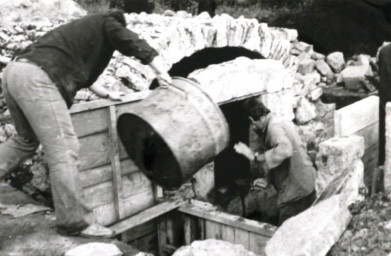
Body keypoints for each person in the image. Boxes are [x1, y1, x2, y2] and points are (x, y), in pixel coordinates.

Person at [0, 10, 171, 237]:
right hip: (38, 79)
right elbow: (134, 43)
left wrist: (107, 94)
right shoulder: (108, 22)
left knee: (25, 140)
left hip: (14, 72)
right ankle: (74, 222)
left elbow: (84, 75)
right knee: (64, 149)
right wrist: (162, 71)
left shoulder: (79, 32)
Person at [234, 97, 316, 225]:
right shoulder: (277, 121)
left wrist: (254, 156)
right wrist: (268, 179)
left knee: (286, 237)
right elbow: (282, 157)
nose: (254, 130)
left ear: (251, 120)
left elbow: (285, 149)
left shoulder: (273, 128)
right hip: (306, 185)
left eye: (252, 126)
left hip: (296, 193)